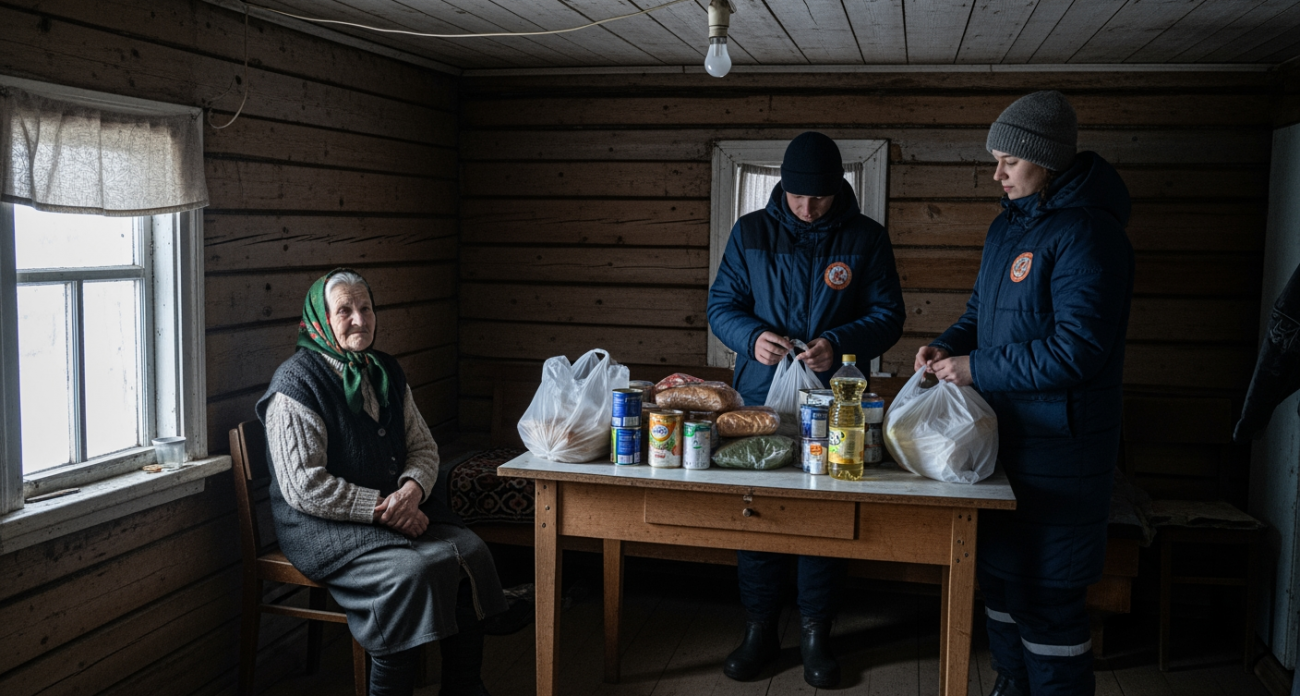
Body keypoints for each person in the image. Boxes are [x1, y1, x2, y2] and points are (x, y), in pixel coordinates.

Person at [915, 91, 1134, 696]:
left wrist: (975, 367)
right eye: (996, 160)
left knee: (1048, 601)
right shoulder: (1008, 227)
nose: (998, 174)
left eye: (1010, 161)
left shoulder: (1089, 234)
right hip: (1005, 442)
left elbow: (1078, 350)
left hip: (1062, 450)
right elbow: (980, 314)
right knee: (1002, 586)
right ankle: (1011, 684)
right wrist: (945, 345)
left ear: (1048, 161)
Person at [257, 269, 526, 696]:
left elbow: (423, 447)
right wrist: (385, 510)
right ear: (320, 320)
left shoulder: (384, 370)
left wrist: (412, 492)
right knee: (411, 573)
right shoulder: (296, 384)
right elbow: (304, 486)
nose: (360, 320)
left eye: (366, 308)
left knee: (471, 552)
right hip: (323, 526)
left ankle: (464, 688)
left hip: (393, 509)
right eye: (344, 311)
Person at [707, 131, 906, 687]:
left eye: (818, 197)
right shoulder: (750, 232)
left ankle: (817, 631)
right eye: (797, 196)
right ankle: (759, 629)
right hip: (758, 396)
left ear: (838, 188)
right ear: (784, 188)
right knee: (756, 506)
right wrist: (751, 338)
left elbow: (889, 315)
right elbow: (721, 305)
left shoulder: (867, 238)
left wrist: (839, 342)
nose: (807, 207)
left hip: (836, 397)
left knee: (825, 509)